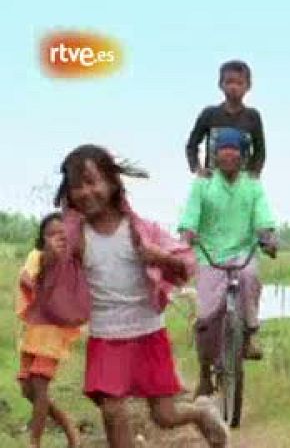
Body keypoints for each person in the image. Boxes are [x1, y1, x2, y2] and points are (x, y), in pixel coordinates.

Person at [44, 144, 229, 448]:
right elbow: (54, 279)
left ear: (112, 182)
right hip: (105, 337)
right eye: (77, 186)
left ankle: (201, 413)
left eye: (91, 182)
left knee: (165, 415)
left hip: (147, 334)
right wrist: (51, 259)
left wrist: (159, 257)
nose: (85, 192)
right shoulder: (75, 236)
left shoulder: (140, 231)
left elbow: (185, 265)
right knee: (112, 411)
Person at [178, 127, 278, 398]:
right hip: (209, 255)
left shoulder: (252, 185)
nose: (229, 155)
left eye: (234, 150)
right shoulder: (203, 184)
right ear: (215, 155)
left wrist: (268, 238)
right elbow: (190, 218)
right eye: (223, 149)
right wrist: (186, 237)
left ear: (243, 155)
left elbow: (263, 219)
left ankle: (249, 335)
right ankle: (204, 375)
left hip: (243, 252)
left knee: (249, 277)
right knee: (206, 318)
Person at [16, 212, 81, 448]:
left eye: (62, 234)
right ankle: (68, 425)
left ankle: (34, 442)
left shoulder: (71, 265)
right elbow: (25, 278)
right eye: (51, 234)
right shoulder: (37, 256)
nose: (57, 238)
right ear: (43, 238)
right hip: (34, 332)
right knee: (27, 389)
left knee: (39, 383)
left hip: (54, 332)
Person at [186, 59, 266, 178]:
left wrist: (255, 173)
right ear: (220, 84)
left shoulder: (252, 116)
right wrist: (198, 169)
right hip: (213, 180)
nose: (234, 87)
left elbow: (260, 150)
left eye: (239, 83)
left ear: (248, 86)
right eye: (229, 82)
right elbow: (192, 145)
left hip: (242, 182)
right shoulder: (209, 114)